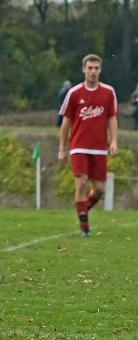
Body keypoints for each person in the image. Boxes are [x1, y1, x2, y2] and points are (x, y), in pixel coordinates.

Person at [58, 54, 118, 237]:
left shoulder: (108, 92)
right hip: (78, 146)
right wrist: (62, 148)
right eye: (90, 68)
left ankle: (82, 210)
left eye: (96, 68)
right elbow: (66, 122)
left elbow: (112, 118)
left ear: (100, 70)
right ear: (83, 69)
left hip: (99, 147)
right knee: (81, 182)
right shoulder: (74, 93)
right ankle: (85, 226)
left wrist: (114, 141)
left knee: (99, 189)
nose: (93, 72)